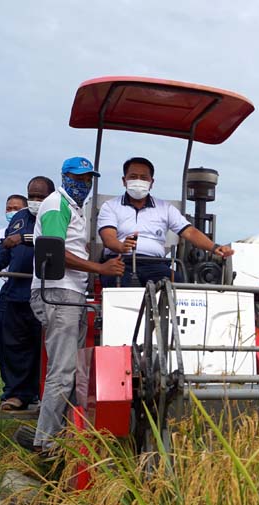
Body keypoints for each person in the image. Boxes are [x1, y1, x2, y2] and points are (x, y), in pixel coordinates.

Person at [30, 157, 125, 452]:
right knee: (62, 371)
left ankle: (65, 436)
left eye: (88, 179)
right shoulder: (57, 205)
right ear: (65, 177)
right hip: (59, 293)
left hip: (73, 294)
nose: (83, 184)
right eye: (78, 178)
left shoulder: (75, 209)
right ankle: (45, 443)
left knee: (74, 371)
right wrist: (101, 270)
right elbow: (54, 250)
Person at [97, 156, 233, 287]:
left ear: (151, 183)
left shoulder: (165, 208)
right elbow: (108, 238)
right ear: (124, 180)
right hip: (121, 262)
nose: (138, 181)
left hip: (155, 264)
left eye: (143, 178)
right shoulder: (110, 206)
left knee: (177, 281)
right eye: (133, 177)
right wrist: (121, 247)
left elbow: (190, 232)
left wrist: (215, 248)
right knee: (116, 281)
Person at [0, 178, 55, 411]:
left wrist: (23, 239)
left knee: (38, 345)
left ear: (50, 197)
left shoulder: (53, 216)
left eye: (40, 197)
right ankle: (14, 394)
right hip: (14, 289)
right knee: (10, 345)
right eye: (31, 196)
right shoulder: (19, 218)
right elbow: (5, 247)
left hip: (42, 289)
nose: (35, 201)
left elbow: (53, 243)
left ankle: (35, 393)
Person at [0, 195, 28, 366]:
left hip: (33, 285)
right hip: (11, 285)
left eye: (15, 208)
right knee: (5, 330)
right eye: (8, 208)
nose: (11, 212)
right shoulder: (1, 233)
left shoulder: (34, 229)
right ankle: (1, 360)